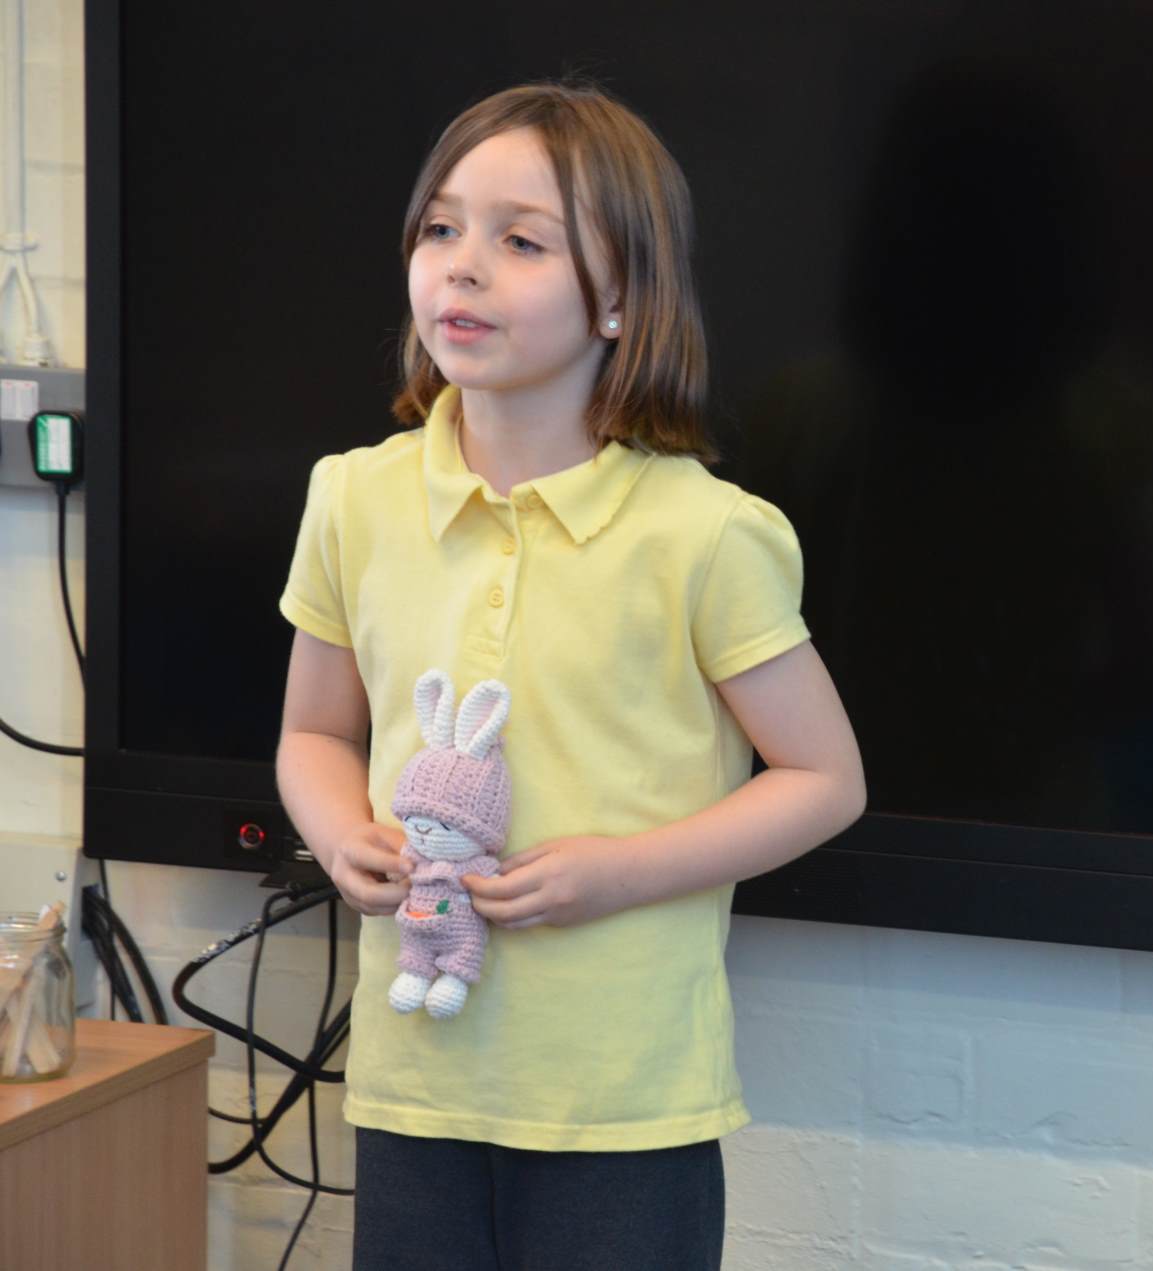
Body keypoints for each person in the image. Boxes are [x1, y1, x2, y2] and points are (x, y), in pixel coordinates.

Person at [273, 80, 865, 1270]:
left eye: (522, 241)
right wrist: (340, 837)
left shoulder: (706, 533)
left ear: (623, 298)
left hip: (625, 1103)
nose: (462, 265)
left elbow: (824, 778)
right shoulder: (354, 496)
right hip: (415, 1080)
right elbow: (314, 734)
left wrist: (616, 872)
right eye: (441, 228)